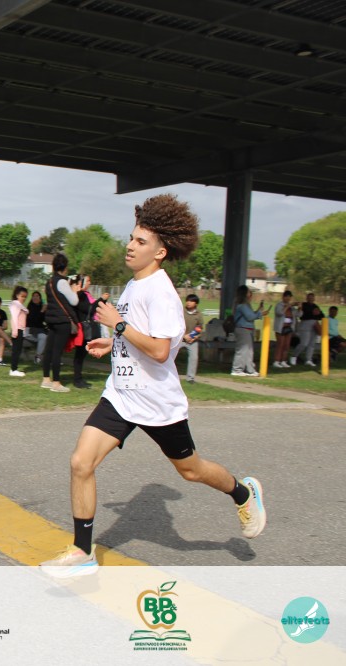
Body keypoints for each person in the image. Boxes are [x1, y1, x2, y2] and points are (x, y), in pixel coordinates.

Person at [39, 193, 265, 578]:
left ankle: (242, 492)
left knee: (191, 470)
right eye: (131, 237)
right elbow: (141, 337)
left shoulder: (162, 292)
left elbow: (161, 351)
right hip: (121, 395)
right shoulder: (133, 286)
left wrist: (118, 325)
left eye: (141, 241)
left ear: (160, 252)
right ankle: (83, 551)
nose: (130, 245)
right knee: (81, 462)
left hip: (157, 401)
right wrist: (111, 343)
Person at [42, 253, 81, 393]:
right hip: (62, 320)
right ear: (64, 267)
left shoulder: (49, 282)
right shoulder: (62, 282)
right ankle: (56, 383)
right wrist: (74, 290)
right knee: (57, 352)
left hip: (51, 319)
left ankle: (46, 379)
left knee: (49, 349)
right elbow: (74, 301)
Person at [231, 285, 268, 377]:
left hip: (247, 329)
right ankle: (236, 369)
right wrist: (260, 313)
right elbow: (250, 317)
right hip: (243, 329)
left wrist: (259, 311)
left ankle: (250, 369)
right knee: (242, 350)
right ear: (244, 293)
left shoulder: (244, 305)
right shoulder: (242, 305)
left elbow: (251, 315)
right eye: (248, 292)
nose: (250, 293)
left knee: (249, 351)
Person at [71, 275, 96, 389]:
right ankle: (77, 379)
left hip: (85, 328)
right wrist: (101, 300)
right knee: (80, 354)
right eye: (87, 281)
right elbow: (87, 309)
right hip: (81, 328)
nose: (89, 283)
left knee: (81, 354)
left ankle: (78, 378)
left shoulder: (85, 295)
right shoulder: (80, 295)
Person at [290, 293, 324, 367]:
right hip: (305, 324)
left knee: (312, 344)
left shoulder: (315, 306)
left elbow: (322, 316)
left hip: (314, 325)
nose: (311, 299)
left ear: (314, 298)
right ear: (307, 298)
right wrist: (312, 314)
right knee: (304, 343)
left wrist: (318, 313)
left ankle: (308, 359)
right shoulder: (304, 305)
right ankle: (294, 356)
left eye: (312, 297)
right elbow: (301, 314)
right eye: (309, 297)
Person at [179, 294, 204, 382]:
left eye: (191, 301)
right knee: (170, 356)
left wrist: (195, 337)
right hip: (180, 338)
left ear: (196, 303)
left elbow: (200, 327)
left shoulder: (199, 314)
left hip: (192, 340)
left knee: (194, 358)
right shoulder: (181, 311)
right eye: (187, 301)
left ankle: (190, 378)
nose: (188, 303)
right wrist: (183, 335)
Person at [7, 286, 30, 378]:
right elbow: (14, 318)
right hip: (17, 330)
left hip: (21, 330)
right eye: (22, 296)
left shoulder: (19, 305)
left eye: (25, 297)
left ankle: (14, 368)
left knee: (18, 350)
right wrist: (15, 331)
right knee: (16, 350)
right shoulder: (15, 304)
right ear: (17, 295)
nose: (23, 298)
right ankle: (13, 369)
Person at [272, 290, 297, 369]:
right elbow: (280, 313)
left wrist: (299, 308)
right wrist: (287, 306)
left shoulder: (292, 307)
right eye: (287, 297)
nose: (288, 299)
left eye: (289, 297)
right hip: (281, 327)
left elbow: (298, 314)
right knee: (280, 344)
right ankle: (277, 361)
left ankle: (284, 360)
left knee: (287, 345)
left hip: (289, 327)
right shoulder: (279, 305)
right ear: (283, 297)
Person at [25, 291, 47, 364]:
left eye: (37, 296)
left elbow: (45, 320)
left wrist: (45, 311)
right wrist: (42, 310)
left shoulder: (42, 307)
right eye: (33, 296)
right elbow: (35, 321)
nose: (35, 297)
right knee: (43, 338)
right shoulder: (30, 308)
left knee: (45, 337)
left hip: (39, 330)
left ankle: (39, 356)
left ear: (40, 298)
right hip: (30, 330)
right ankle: (38, 357)